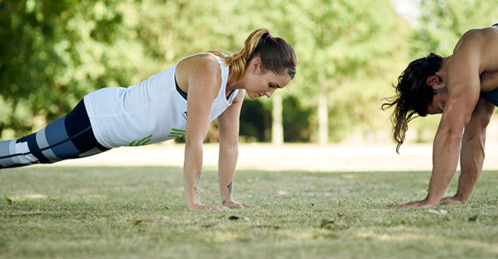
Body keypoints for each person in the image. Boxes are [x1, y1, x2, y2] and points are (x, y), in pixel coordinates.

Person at [0, 28, 297, 211]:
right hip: (101, 118)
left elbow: (230, 145)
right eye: (272, 85)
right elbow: (194, 140)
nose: (271, 94)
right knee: (25, 152)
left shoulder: (234, 92)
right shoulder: (210, 70)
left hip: (112, 138)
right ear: (257, 65)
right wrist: (194, 202)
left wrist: (227, 200)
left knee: (36, 156)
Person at [382, 18, 498, 209]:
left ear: (434, 81)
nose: (449, 112)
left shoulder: (467, 52)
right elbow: (473, 137)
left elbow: (451, 132)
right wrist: (461, 196)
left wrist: (431, 200)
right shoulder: (477, 83)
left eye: (443, 106)